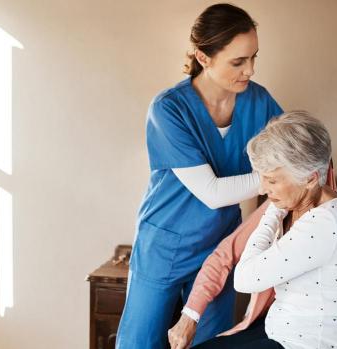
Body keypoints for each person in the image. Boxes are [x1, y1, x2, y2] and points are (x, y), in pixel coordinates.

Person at [115, 4, 283, 349]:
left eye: (253, 58)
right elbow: (212, 192)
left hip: (217, 247)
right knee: (140, 342)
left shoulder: (259, 101)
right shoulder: (169, 109)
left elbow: (296, 149)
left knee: (210, 343)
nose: (249, 70)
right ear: (203, 58)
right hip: (165, 243)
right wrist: (277, 180)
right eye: (238, 62)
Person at [170, 111, 337, 349]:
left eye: (272, 181)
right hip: (280, 332)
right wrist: (190, 314)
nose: (263, 189)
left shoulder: (325, 223)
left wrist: (273, 211)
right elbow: (228, 252)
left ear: (309, 178)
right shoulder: (303, 201)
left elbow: (244, 279)